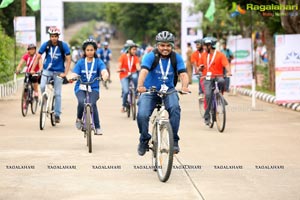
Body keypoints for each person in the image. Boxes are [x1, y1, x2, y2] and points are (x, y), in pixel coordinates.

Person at [136, 31, 190, 156]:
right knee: (142, 115)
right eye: (162, 45)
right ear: (157, 45)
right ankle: (144, 139)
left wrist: (185, 86)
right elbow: (143, 71)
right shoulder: (150, 56)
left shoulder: (176, 58)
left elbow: (183, 73)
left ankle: (174, 140)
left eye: (168, 46)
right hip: (150, 91)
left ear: (172, 46)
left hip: (169, 91)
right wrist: (140, 86)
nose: (165, 48)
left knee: (175, 108)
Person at [31, 26, 71, 123]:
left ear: (58, 36)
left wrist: (65, 73)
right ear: (50, 36)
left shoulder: (63, 45)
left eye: (55, 36)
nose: (54, 38)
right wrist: (32, 69)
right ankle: (44, 99)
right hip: (47, 70)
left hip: (58, 72)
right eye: (52, 36)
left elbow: (69, 59)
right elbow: (38, 57)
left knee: (57, 94)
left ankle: (57, 114)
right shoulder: (46, 45)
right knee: (42, 86)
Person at [71, 39, 108, 135]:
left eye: (92, 50)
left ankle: (98, 127)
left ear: (95, 50)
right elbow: (74, 73)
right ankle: (79, 118)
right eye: (87, 50)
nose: (90, 52)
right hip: (80, 87)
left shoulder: (98, 62)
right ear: (84, 51)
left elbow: (104, 71)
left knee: (93, 103)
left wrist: (104, 76)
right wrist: (73, 77)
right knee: (81, 102)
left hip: (94, 88)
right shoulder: (80, 62)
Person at [197, 37, 231, 125]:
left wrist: (229, 71)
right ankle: (207, 116)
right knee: (208, 95)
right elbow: (199, 68)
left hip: (217, 76)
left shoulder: (220, 55)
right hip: (207, 78)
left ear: (210, 46)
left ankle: (220, 96)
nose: (203, 47)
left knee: (222, 81)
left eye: (205, 46)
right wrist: (199, 69)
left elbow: (226, 64)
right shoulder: (203, 55)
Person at [117, 42, 140, 112]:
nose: (134, 51)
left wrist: (140, 69)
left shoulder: (136, 58)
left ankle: (136, 93)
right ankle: (123, 106)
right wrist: (120, 69)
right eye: (133, 49)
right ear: (129, 50)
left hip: (133, 74)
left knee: (136, 77)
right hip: (124, 74)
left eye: (135, 50)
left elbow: (138, 66)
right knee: (126, 91)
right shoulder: (123, 57)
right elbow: (119, 67)